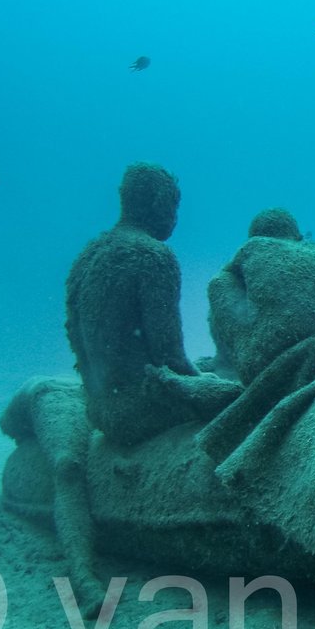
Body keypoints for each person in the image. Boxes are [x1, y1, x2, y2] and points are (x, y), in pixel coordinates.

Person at [64, 163, 238, 446]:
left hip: (100, 410)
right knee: (247, 396)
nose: (175, 216)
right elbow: (170, 356)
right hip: (140, 412)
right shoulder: (153, 256)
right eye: (174, 205)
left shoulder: (88, 254)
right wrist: (211, 385)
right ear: (159, 202)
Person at [207, 207, 315, 385]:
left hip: (267, 363)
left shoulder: (252, 248)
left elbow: (224, 284)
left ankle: (226, 365)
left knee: (219, 282)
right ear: (295, 232)